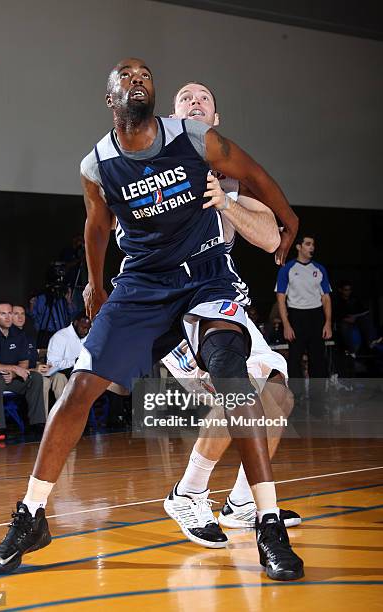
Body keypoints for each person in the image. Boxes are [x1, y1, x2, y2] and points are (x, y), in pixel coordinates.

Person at [0, 58, 302, 581]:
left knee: (236, 376)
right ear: (110, 98)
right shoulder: (98, 165)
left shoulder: (196, 139)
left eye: (146, 75)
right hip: (145, 281)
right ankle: (30, 516)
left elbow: (256, 174)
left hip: (204, 275)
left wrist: (290, 219)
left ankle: (267, 522)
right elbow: (96, 231)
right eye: (126, 75)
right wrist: (96, 283)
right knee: (81, 386)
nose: (138, 79)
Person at [160, 82, 300, 542]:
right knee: (236, 390)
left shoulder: (234, 174)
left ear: (215, 119)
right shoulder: (152, 166)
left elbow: (271, 237)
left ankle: (241, 502)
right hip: (175, 300)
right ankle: (188, 492)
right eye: (186, 98)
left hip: (223, 297)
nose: (195, 102)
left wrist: (227, 202)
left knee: (277, 395)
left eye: (204, 99)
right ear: (173, 115)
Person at [0, 302, 46, 433]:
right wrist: (13, 368)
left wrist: (14, 374)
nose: (8, 317)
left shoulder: (18, 334)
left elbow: (24, 362)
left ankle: (37, 423)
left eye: (10, 313)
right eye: (3, 314)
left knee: (35, 377)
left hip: (12, 378)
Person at [276, 234, 332, 395]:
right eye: (308, 244)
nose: (311, 247)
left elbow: (326, 298)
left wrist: (327, 322)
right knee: (294, 361)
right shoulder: (287, 268)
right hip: (296, 317)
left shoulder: (319, 269)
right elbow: (280, 298)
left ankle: (318, 404)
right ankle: (297, 401)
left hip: (316, 316)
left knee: (318, 362)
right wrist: (286, 325)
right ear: (299, 247)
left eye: (313, 244)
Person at [12, 305, 68, 418]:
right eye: (16, 314)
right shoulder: (8, 337)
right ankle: (44, 421)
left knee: (60, 377)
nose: (20, 317)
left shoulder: (29, 337)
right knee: (43, 381)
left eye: (22, 313)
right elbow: (12, 365)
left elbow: (34, 360)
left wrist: (43, 366)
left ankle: (63, 417)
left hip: (35, 371)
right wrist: (34, 369)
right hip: (21, 376)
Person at [46, 311, 91, 377]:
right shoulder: (60, 337)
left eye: (88, 328)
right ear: (76, 323)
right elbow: (52, 364)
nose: (86, 331)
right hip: (63, 374)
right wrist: (74, 362)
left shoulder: (88, 337)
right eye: (83, 328)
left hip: (83, 373)